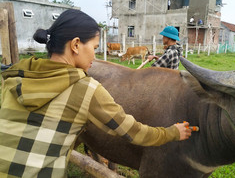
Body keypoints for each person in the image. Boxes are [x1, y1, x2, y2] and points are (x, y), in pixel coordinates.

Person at [0, 9, 192, 177]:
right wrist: (172, 132)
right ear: (75, 45)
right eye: (93, 48)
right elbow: (134, 132)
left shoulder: (14, 75)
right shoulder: (85, 89)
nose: (94, 55)